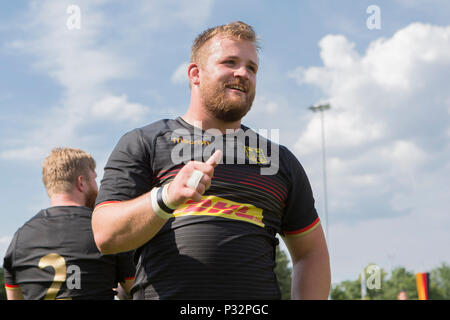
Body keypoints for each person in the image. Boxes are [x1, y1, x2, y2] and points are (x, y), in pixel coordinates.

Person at [92, 21, 330, 299]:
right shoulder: (145, 142)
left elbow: (311, 253)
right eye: (230, 62)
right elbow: (105, 235)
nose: (243, 73)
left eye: (251, 68)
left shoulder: (279, 159)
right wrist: (166, 197)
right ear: (195, 73)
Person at [3, 147, 135, 300]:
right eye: (93, 179)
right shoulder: (106, 229)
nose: (96, 186)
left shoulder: (19, 239)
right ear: (81, 183)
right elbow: (140, 291)